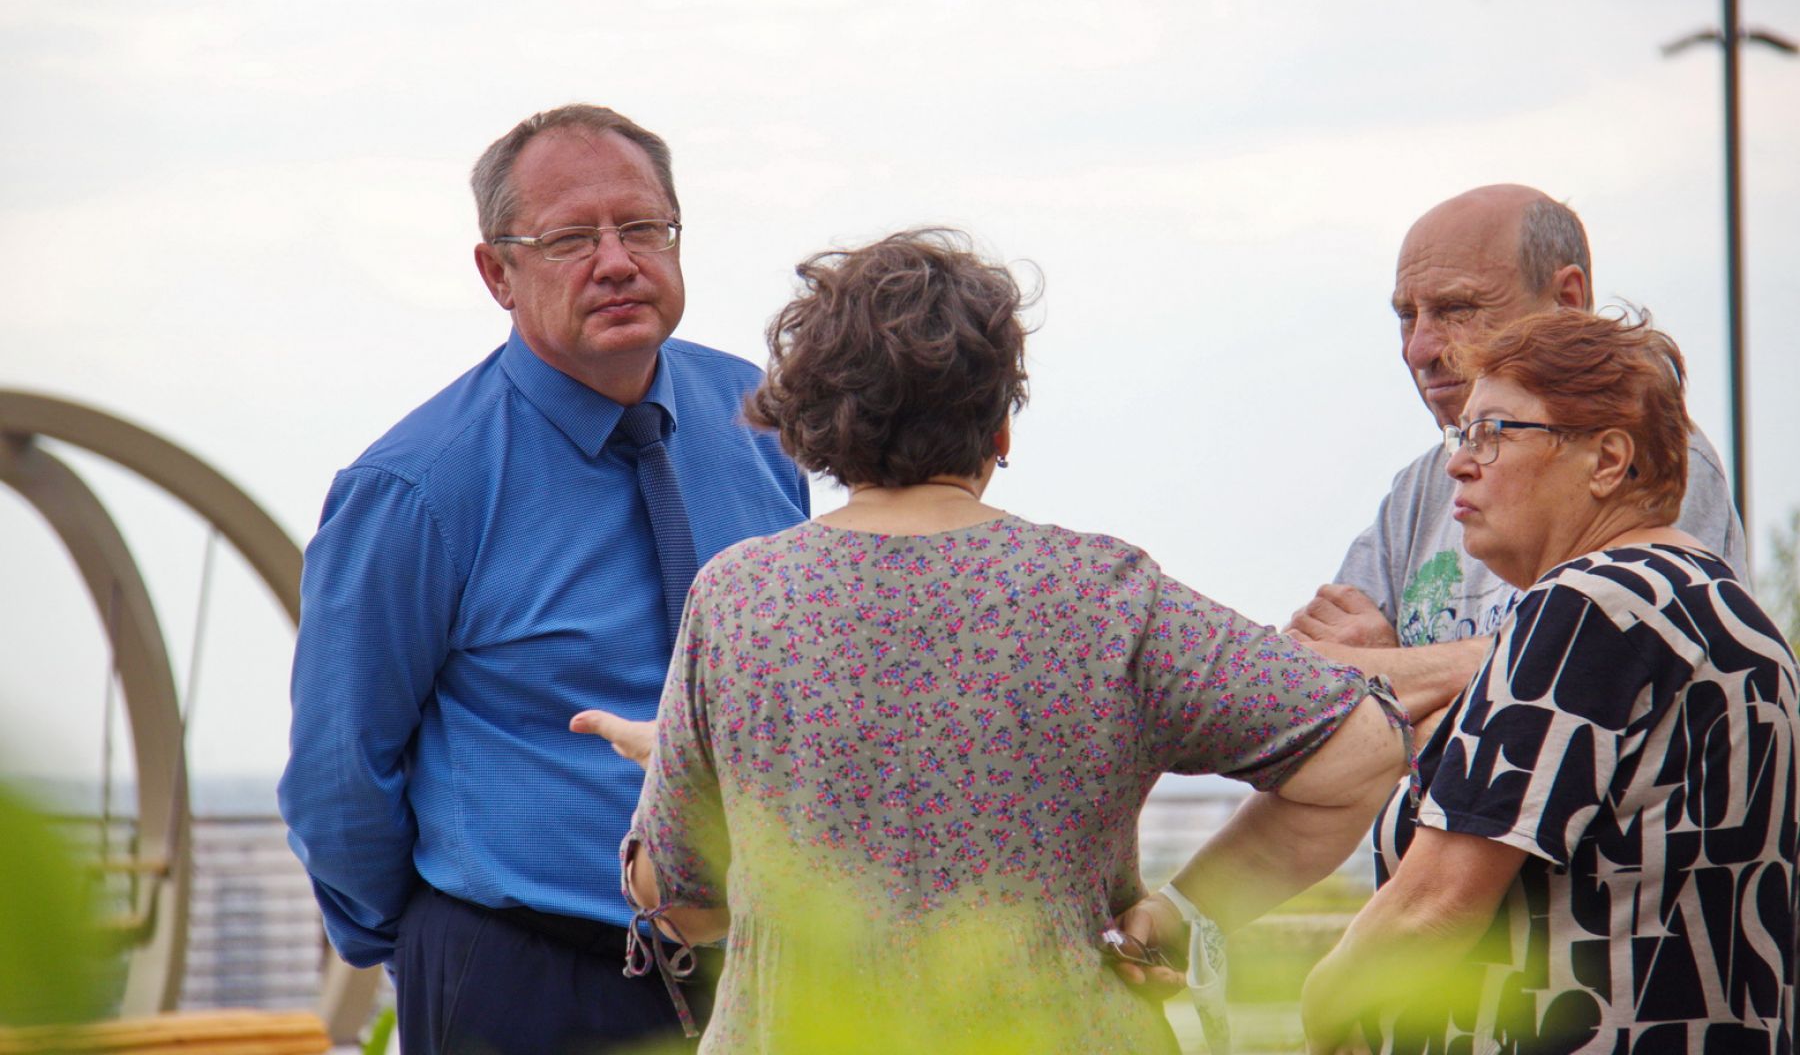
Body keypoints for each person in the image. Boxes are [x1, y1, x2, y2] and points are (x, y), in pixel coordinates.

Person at [612, 230, 1409, 1052]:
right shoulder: (1104, 593)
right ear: (999, 428)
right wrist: (1188, 910)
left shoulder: (741, 598)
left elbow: (683, 897)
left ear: (813, 428)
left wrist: (692, 764)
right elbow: (1363, 749)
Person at [278, 105, 810, 1054]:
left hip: (759, 974)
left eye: (642, 227)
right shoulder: (415, 490)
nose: (616, 262)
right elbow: (338, 773)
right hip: (528, 978)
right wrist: (434, 952)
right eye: (570, 238)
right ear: (497, 273)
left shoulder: (759, 427)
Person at [1300, 310, 1799, 1054]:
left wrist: (1321, 1004)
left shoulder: (1588, 601)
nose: (1458, 464)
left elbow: (1430, 911)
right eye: (1459, 433)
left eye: (1494, 432)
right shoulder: (1729, 610)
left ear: (1606, 461)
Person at [1287, 185, 1746, 728]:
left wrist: (1386, 667)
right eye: (1407, 317)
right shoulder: (1418, 490)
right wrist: (1438, 671)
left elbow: (1582, 686)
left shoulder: (1652, 462)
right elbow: (1305, 691)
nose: (1419, 350)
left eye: (1456, 309)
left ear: (1568, 301)